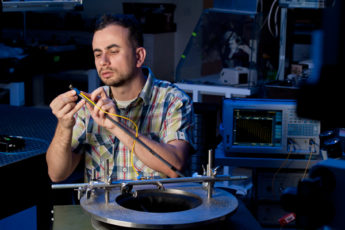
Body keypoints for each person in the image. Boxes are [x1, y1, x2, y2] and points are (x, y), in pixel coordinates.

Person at [46, 14, 194, 183]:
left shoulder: (173, 100)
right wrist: (64, 126)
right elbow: (56, 174)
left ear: (139, 56)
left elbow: (174, 166)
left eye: (113, 51)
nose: (103, 61)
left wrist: (117, 126)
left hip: (154, 208)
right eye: (98, 54)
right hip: (99, 209)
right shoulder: (89, 105)